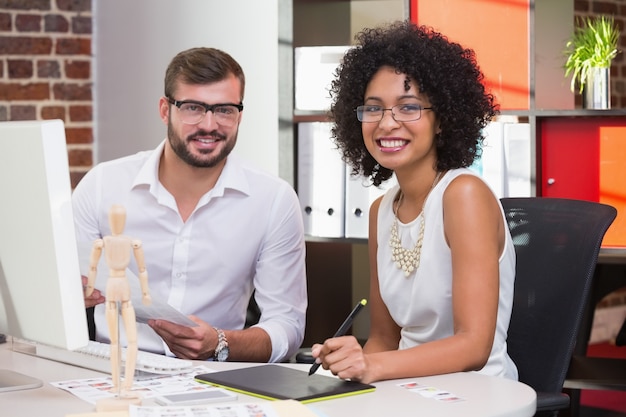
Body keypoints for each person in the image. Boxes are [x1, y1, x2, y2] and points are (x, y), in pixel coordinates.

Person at [310, 21, 518, 383]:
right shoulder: (380, 212)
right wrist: (346, 363)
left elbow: (474, 346)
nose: (387, 123)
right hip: (404, 390)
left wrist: (372, 366)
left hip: (475, 394)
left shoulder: (464, 195)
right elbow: (384, 340)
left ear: (442, 120)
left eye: (408, 108)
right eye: (373, 108)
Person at [73, 47, 307, 363]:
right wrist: (70, 296)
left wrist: (222, 343)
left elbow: (288, 325)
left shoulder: (273, 200)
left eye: (224, 110)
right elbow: (60, 293)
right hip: (109, 370)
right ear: (165, 110)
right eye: (193, 108)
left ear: (239, 114)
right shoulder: (102, 185)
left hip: (213, 377)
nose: (209, 124)